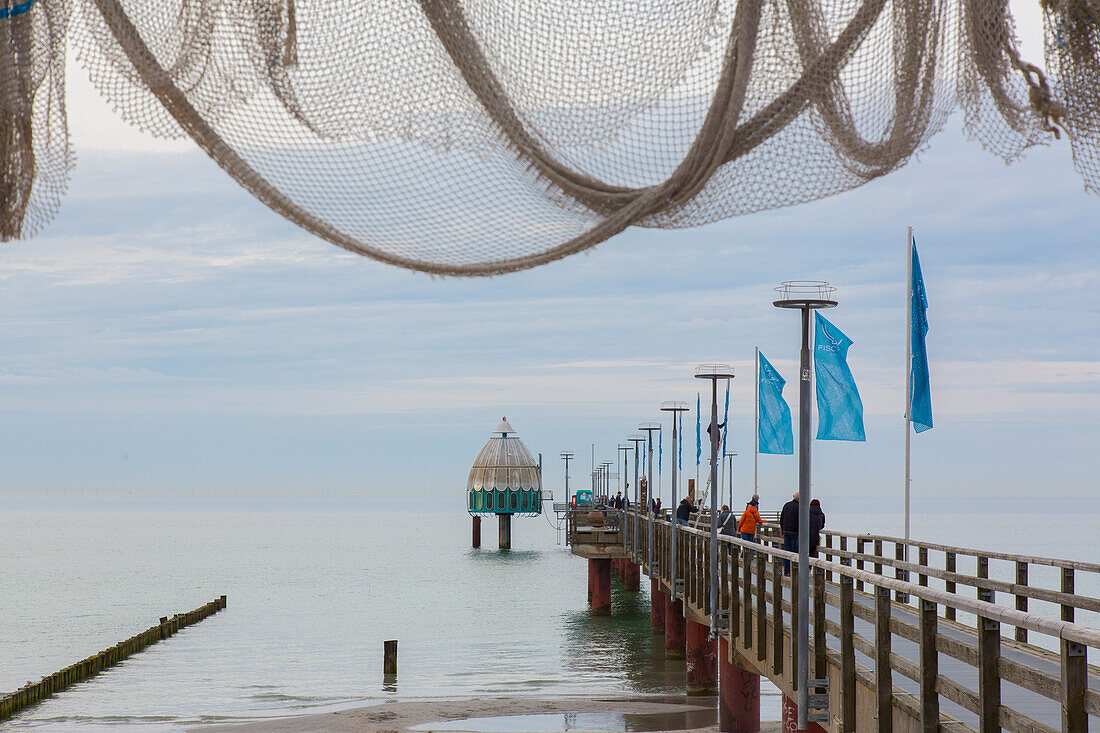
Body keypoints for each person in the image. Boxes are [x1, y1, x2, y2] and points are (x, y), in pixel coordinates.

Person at [780, 491, 800, 575]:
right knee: (794, 552)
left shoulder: (787, 505)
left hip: (786, 531)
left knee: (786, 551)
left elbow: (781, 519)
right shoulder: (799, 507)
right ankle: (793, 571)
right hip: (795, 532)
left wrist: (782, 531)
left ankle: (787, 571)